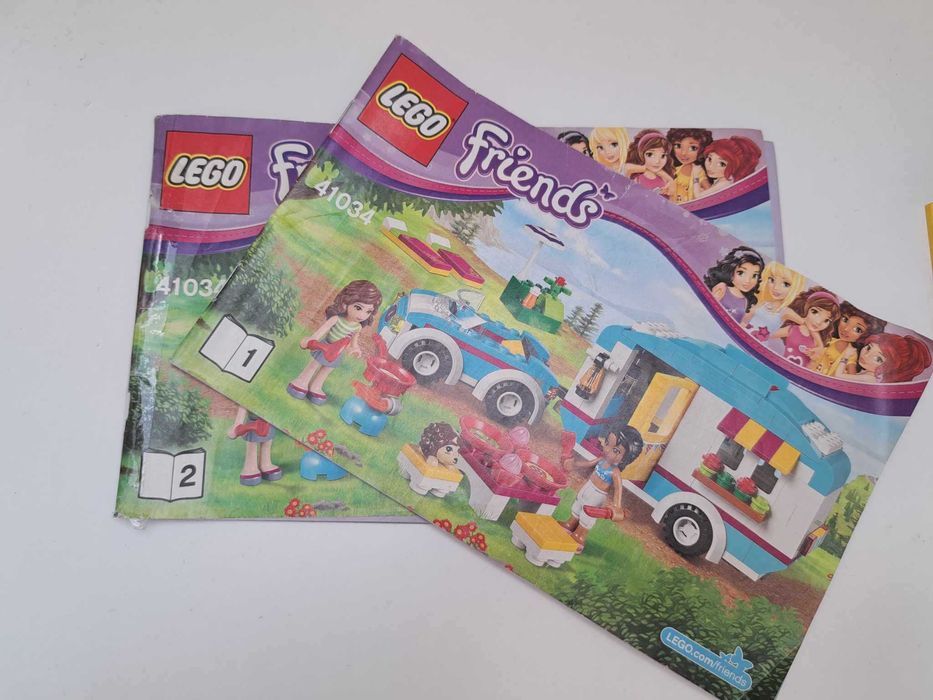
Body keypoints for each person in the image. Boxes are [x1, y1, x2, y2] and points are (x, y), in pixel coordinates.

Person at [287, 280, 382, 404]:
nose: (362, 315)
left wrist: (355, 348)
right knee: (314, 364)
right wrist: (312, 339)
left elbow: (354, 341)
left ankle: (316, 386)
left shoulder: (357, 327)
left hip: (338, 352)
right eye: (358, 308)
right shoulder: (336, 319)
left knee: (327, 369)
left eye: (368, 311)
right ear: (345, 303)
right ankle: (302, 381)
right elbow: (323, 329)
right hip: (325, 345)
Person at [560, 423, 644, 551]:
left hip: (598, 495)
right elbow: (588, 463)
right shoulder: (601, 460)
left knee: (588, 514)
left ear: (624, 459)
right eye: (608, 444)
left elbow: (618, 489)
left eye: (616, 450)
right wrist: (574, 464)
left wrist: (617, 506)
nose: (608, 450)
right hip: (588, 486)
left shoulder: (615, 472)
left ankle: (580, 536)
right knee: (578, 504)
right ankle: (570, 524)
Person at [743, 261, 806, 352]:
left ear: (795, 288)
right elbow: (745, 319)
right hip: (743, 336)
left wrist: (782, 333)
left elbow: (805, 326)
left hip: (758, 347)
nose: (776, 287)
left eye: (785, 284)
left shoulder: (785, 311)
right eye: (772, 280)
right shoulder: (763, 302)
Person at [770, 288, 840, 367]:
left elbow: (811, 368)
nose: (818, 322)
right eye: (814, 312)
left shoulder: (818, 342)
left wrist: (814, 360)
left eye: (826, 320)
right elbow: (769, 335)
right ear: (805, 308)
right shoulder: (793, 329)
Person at [810, 302, 884, 376]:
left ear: (865, 335)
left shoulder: (851, 352)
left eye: (857, 329)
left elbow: (851, 377)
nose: (846, 329)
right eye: (845, 319)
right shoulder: (831, 340)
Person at [703, 246, 765, 324]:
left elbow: (742, 325)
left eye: (754, 276)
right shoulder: (722, 288)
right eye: (741, 273)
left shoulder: (747, 301)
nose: (747, 281)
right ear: (731, 271)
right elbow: (709, 309)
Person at [843, 333, 932, 383]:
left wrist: (846, 357)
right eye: (869, 348)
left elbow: (838, 376)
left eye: (878, 359)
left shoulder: (870, 378)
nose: (866, 355)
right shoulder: (867, 373)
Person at [227, 406, 281, 486]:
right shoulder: (247, 401)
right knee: (252, 446)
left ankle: (266, 464)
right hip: (253, 424)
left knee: (267, 444)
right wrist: (239, 426)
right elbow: (238, 422)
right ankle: (250, 467)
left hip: (268, 422)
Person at [697, 136, 761, 197]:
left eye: (721, 164)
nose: (711, 166)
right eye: (710, 159)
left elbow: (698, 197)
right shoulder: (721, 179)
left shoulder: (724, 184)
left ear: (734, 166)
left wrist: (695, 179)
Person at [623, 129, 675, 197]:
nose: (657, 161)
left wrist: (670, 181)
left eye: (663, 156)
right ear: (641, 154)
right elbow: (627, 168)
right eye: (650, 154)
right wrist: (669, 179)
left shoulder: (664, 179)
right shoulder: (636, 177)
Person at [667, 128, 713, 203]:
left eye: (692, 148)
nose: (683, 153)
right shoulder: (676, 169)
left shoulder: (698, 171)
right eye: (678, 146)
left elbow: (710, 192)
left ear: (702, 150)